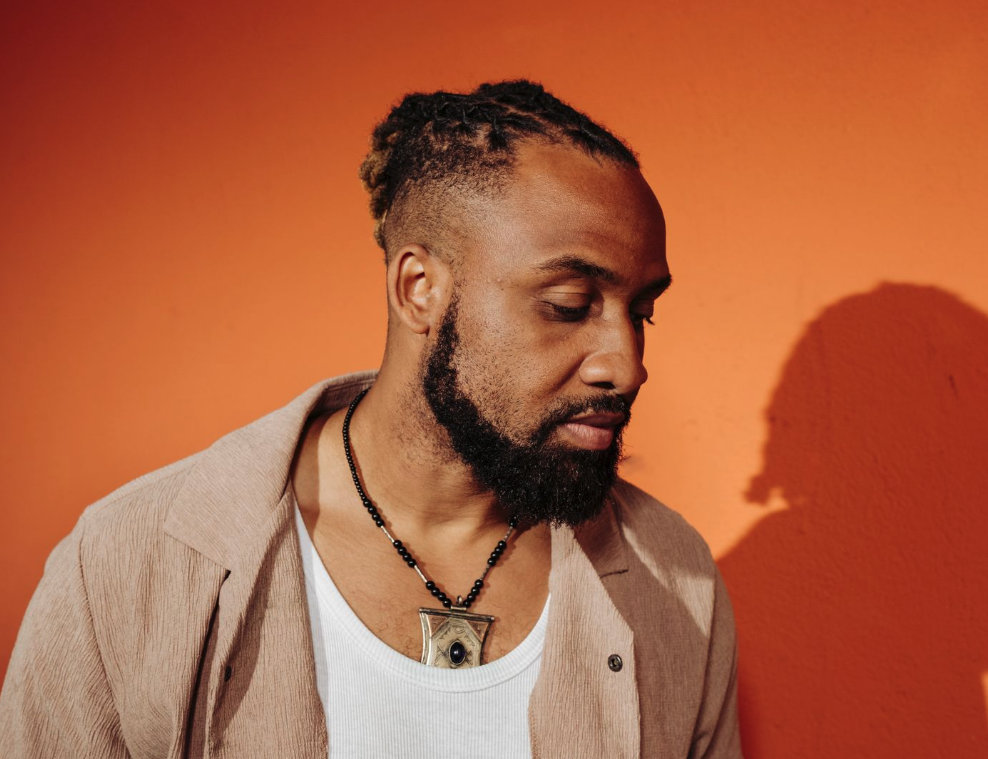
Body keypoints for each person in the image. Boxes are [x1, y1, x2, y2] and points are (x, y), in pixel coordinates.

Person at [0, 80, 741, 758]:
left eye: (642, 312)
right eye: (568, 306)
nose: (626, 365)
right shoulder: (127, 568)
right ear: (419, 289)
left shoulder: (672, 582)